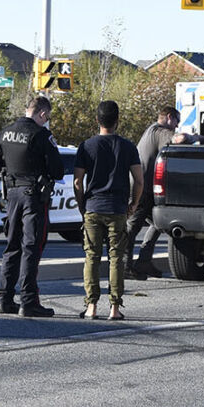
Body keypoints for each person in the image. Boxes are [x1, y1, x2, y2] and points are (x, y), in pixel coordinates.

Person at [0, 94, 65, 317]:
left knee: (12, 246)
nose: (46, 121)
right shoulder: (41, 135)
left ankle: (4, 298)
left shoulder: (5, 132)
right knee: (31, 247)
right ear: (41, 113)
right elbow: (58, 171)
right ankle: (29, 301)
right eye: (46, 117)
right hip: (33, 196)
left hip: (12, 195)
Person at [72, 99, 143, 321]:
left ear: (97, 120)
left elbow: (77, 181)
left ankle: (91, 306)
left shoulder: (86, 146)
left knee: (91, 257)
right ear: (117, 121)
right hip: (117, 208)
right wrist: (134, 204)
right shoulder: (128, 146)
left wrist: (83, 205)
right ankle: (114, 308)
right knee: (116, 258)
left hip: (93, 207)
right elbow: (139, 180)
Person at [127, 105, 179, 280]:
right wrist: (196, 137)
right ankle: (125, 266)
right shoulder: (160, 131)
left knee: (158, 222)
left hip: (144, 186)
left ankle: (144, 261)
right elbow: (178, 140)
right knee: (132, 227)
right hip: (141, 187)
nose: (176, 127)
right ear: (170, 117)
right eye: (176, 122)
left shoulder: (150, 129)